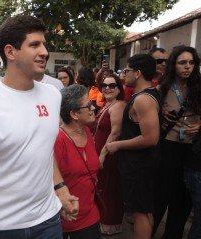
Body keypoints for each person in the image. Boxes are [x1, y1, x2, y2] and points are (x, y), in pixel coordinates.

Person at [0, 15, 78, 239]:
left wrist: (60, 188)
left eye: (44, 44)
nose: (44, 51)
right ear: (10, 52)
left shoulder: (53, 95)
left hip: (49, 221)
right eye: (34, 45)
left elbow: (43, 148)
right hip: (4, 228)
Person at [105, 54, 161, 239]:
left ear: (137, 73)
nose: (124, 75)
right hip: (139, 165)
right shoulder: (143, 96)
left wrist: (117, 145)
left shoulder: (142, 100)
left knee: (141, 214)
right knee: (145, 212)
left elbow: (151, 138)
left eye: (127, 71)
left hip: (139, 166)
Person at [153, 45, 201, 239]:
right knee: (158, 202)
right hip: (167, 149)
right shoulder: (161, 88)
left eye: (191, 63)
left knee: (181, 206)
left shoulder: (198, 87)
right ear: (174, 64)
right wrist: (159, 113)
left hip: (191, 152)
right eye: (182, 63)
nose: (187, 67)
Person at [54, 85, 101, 239]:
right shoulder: (58, 140)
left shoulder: (87, 131)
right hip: (67, 219)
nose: (93, 107)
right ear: (74, 114)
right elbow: (47, 180)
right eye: (88, 105)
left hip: (91, 214)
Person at [93, 74, 126, 235]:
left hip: (110, 155)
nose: (107, 88)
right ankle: (101, 220)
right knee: (101, 188)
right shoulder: (107, 104)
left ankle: (110, 224)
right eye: (104, 85)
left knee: (109, 189)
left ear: (119, 88)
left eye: (112, 85)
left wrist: (102, 155)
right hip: (101, 153)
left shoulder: (118, 106)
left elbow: (115, 133)